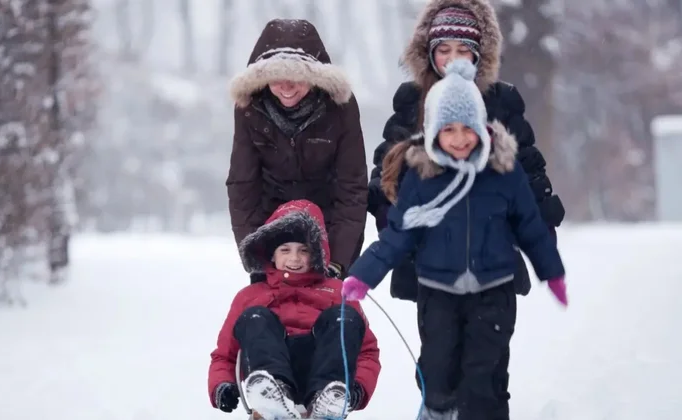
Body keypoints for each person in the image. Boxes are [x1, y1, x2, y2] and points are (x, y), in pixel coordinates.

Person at [342, 60, 568, 420]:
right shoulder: (423, 177)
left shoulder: (502, 173)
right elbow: (399, 234)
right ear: (433, 132)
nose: (460, 138)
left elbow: (530, 226)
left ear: (481, 127)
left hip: (493, 289)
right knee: (437, 370)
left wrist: (551, 272)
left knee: (484, 373)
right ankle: (438, 411)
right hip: (438, 291)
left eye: (468, 128)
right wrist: (363, 274)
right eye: (449, 129)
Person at [368, 0, 564, 300]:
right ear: (429, 52)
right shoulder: (413, 102)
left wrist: (542, 232)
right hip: (430, 251)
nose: (453, 59)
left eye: (463, 50)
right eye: (444, 50)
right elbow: (387, 170)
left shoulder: (500, 101)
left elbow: (528, 169)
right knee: (438, 342)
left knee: (489, 340)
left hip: (493, 245)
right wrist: (393, 222)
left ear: (478, 53)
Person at [208, 200, 381, 419]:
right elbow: (224, 355)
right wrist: (222, 385)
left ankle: (327, 400)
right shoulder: (250, 296)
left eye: (303, 250)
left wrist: (359, 388)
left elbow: (367, 352)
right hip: (269, 367)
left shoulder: (337, 291)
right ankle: (273, 396)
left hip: (323, 371)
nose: (294, 258)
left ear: (317, 253)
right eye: (285, 250)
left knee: (343, 318)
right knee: (255, 317)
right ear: (272, 254)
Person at [227, 18, 368, 280]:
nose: (286, 86)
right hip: (273, 232)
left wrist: (338, 259)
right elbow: (243, 185)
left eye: (296, 77)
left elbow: (352, 188)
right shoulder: (250, 110)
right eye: (276, 78)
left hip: (327, 225)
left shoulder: (340, 109)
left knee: (330, 315)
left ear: (314, 77)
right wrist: (255, 253)